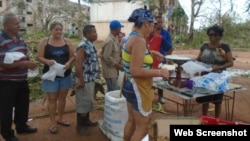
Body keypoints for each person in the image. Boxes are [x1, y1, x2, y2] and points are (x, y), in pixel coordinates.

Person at [122, 8, 169, 141]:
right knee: (143, 127)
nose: (153, 29)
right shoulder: (139, 41)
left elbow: (134, 56)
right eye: (153, 25)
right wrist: (160, 72)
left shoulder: (132, 37)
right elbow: (136, 70)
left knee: (131, 121)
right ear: (146, 24)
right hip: (138, 87)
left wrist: (153, 53)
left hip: (128, 85)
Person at [0, 12, 38, 141]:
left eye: (18, 23)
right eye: (15, 23)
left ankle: (21, 126)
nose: (19, 25)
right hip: (7, 82)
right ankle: (7, 134)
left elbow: (23, 52)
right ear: (6, 25)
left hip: (22, 79)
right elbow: (2, 63)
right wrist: (24, 63)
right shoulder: (1, 40)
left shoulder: (19, 37)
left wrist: (27, 58)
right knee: (6, 109)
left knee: (23, 105)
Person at [37, 21, 75, 134]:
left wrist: (69, 63)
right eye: (56, 29)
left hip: (65, 75)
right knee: (52, 99)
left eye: (60, 29)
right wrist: (47, 61)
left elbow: (73, 56)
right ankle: (53, 122)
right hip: (50, 76)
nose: (58, 31)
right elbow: (39, 56)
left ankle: (60, 119)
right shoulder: (45, 42)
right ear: (51, 30)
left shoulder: (67, 42)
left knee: (62, 98)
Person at [196, 24, 234, 118]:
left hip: (218, 78)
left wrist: (219, 67)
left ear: (220, 36)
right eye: (210, 34)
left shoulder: (222, 48)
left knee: (217, 101)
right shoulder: (205, 46)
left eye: (215, 34)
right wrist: (194, 66)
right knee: (205, 100)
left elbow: (230, 62)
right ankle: (204, 118)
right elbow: (198, 59)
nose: (212, 37)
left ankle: (216, 120)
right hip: (205, 77)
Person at [75, 25, 100, 136]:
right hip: (84, 80)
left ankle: (86, 121)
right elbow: (78, 64)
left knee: (88, 101)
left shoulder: (90, 45)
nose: (96, 34)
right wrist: (81, 80)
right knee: (83, 103)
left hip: (90, 79)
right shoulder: (83, 46)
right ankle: (80, 126)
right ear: (88, 34)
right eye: (94, 32)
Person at [100, 20, 124, 92]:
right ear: (116, 29)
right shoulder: (110, 40)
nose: (120, 30)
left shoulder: (114, 38)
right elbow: (107, 57)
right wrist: (118, 65)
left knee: (114, 89)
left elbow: (116, 53)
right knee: (113, 91)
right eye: (120, 28)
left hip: (114, 70)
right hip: (110, 71)